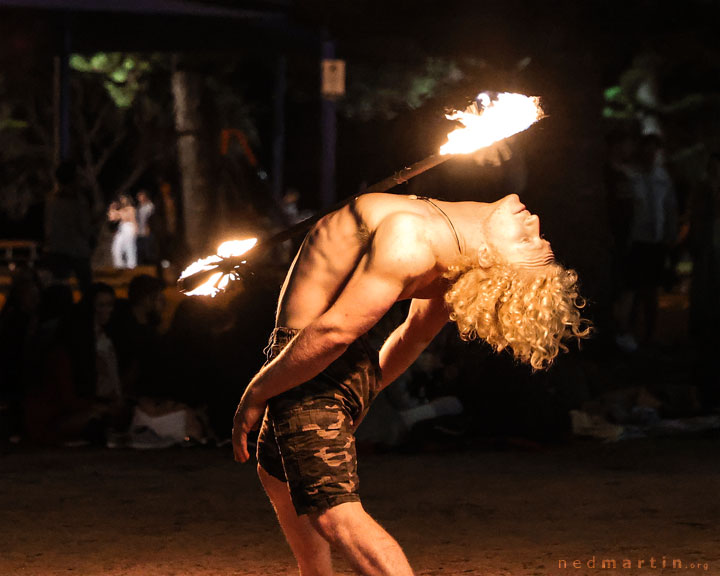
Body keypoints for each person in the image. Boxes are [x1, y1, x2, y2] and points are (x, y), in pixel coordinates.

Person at [232, 192, 590, 576]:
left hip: (311, 358)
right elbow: (411, 336)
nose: (533, 222)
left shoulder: (410, 241)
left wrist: (257, 392)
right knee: (277, 475)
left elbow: (334, 333)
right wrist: (363, 394)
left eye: (525, 242)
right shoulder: (452, 250)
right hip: (333, 363)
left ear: (490, 260)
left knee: (335, 514)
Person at [43, 159, 95, 297]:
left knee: (58, 289)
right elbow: (85, 228)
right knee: (86, 289)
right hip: (77, 250)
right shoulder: (79, 202)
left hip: (57, 249)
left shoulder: (51, 200)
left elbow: (48, 227)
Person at [108, 195, 137, 269]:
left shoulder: (130, 209)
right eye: (120, 199)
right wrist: (112, 209)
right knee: (116, 246)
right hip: (121, 228)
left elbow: (133, 219)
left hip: (129, 227)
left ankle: (131, 264)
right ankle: (119, 265)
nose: (122, 200)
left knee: (129, 247)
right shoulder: (120, 210)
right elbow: (113, 219)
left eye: (123, 199)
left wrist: (135, 229)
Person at [135, 189, 156, 266]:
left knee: (148, 250)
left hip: (147, 231)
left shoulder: (150, 206)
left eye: (141, 196)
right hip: (140, 232)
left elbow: (151, 219)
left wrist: (149, 228)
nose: (139, 198)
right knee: (140, 250)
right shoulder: (139, 207)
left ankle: (151, 265)